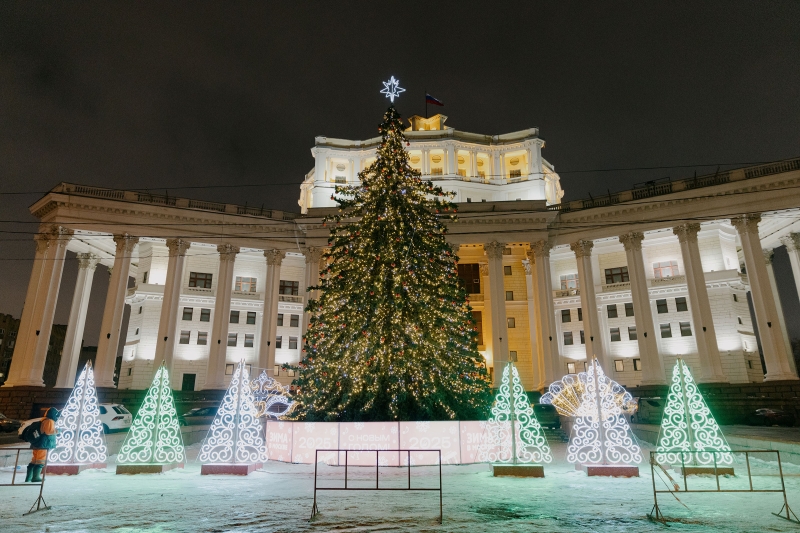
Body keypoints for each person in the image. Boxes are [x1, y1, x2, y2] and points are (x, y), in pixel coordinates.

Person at [25, 407, 60, 483]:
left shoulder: (43, 419)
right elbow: (49, 431)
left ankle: (28, 477)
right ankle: (36, 477)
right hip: (43, 444)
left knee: (34, 460)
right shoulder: (49, 421)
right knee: (41, 460)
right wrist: (58, 431)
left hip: (37, 443)